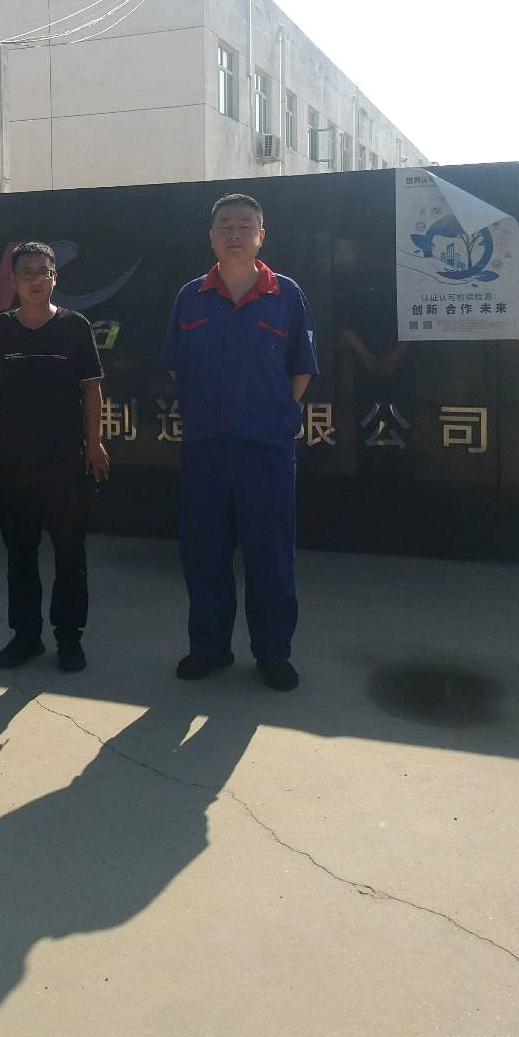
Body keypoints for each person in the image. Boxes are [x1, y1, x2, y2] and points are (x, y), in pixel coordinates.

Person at [160, 193, 319, 690]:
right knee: (204, 554)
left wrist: (277, 412)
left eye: (244, 225)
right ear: (211, 237)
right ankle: (209, 649)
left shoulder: (286, 294)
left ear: (261, 236)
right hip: (205, 448)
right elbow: (176, 365)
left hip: (266, 449)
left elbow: (302, 367)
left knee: (270, 556)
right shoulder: (191, 296)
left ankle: (273, 654)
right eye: (225, 225)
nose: (234, 232)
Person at [0, 241, 111, 672]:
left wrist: (94, 443)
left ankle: (69, 638)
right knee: (21, 554)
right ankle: (26, 636)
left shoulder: (75, 326)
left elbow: (91, 389)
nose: (36, 280)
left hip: (67, 460)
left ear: (56, 277)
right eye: (27, 273)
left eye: (43, 272)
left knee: (70, 555)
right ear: (13, 280)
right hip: (14, 460)